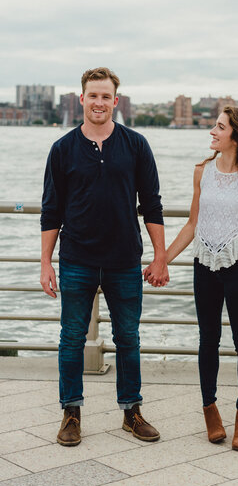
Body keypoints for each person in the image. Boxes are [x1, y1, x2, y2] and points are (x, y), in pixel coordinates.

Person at [40, 67, 169, 446]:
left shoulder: (136, 145)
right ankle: (71, 414)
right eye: (92, 95)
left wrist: (160, 257)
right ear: (81, 99)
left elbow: (153, 206)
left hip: (124, 260)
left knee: (128, 337)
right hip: (76, 259)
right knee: (71, 339)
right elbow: (51, 211)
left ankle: (131, 412)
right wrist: (46, 263)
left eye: (105, 96)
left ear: (116, 100)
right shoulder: (62, 149)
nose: (99, 102)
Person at [162, 106, 238, 451]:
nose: (212, 131)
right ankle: (210, 410)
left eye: (220, 127)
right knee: (208, 338)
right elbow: (192, 224)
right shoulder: (202, 172)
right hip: (205, 264)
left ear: (237, 137)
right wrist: (161, 261)